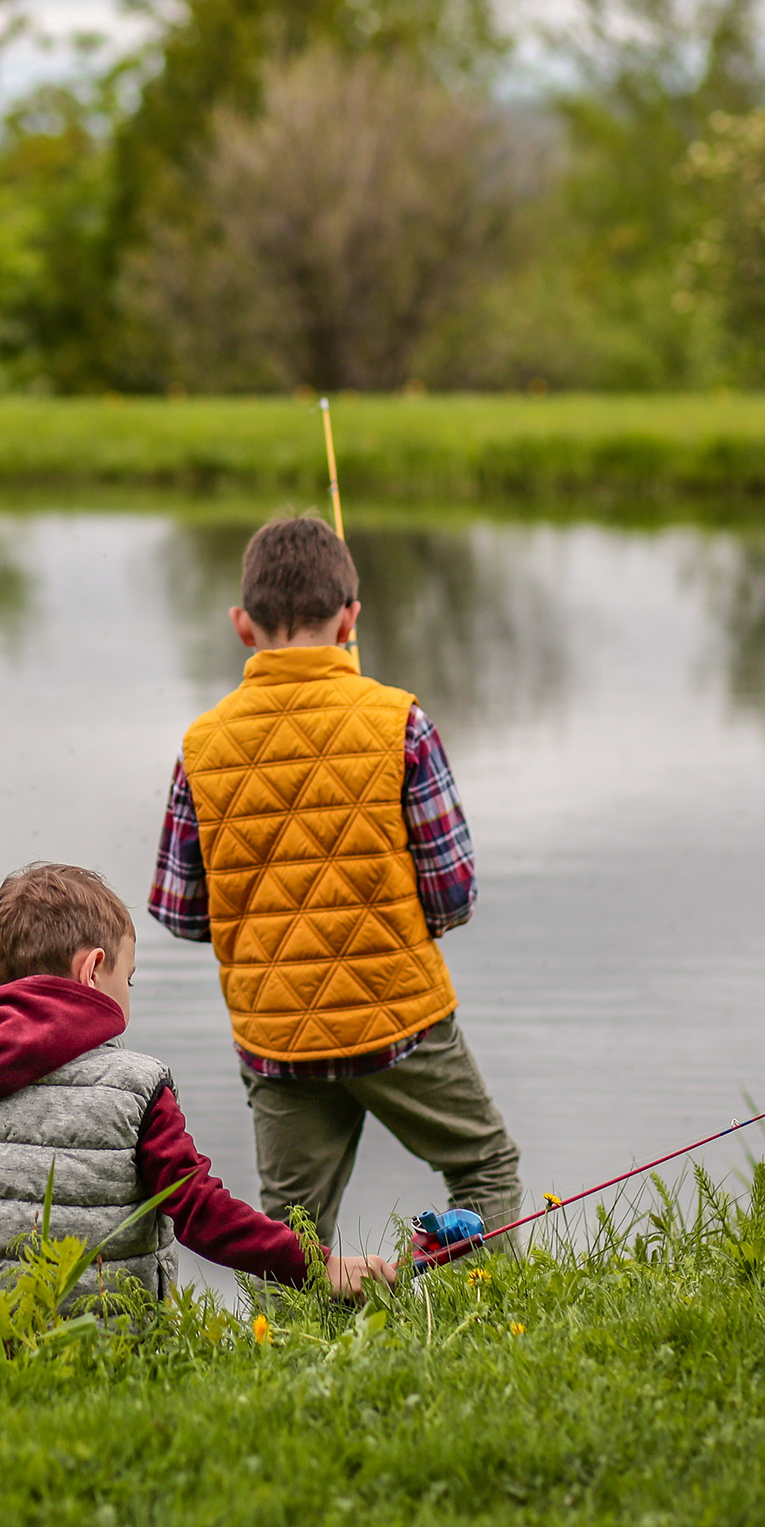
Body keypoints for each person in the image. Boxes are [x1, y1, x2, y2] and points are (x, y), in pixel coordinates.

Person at [149, 514, 522, 1248]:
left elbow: (182, 912)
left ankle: (298, 1353)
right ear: (350, 618)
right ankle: (478, 1310)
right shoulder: (399, 720)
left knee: (293, 1226)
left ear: (241, 625)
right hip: (400, 1022)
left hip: (276, 1032)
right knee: (484, 1166)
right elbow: (452, 894)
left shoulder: (201, 745)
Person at [0, 861, 396, 1338]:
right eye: (128, 977)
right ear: (92, 969)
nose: (128, 990)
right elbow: (201, 1212)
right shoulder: (135, 1087)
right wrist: (317, 1264)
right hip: (92, 1342)